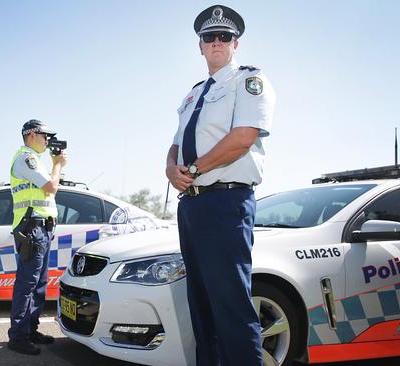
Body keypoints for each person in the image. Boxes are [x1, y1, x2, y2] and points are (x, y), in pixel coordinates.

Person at [165, 5, 275, 366]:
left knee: (230, 305)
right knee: (202, 305)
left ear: (235, 44)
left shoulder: (248, 80)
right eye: (209, 37)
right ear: (200, 46)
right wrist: (170, 169)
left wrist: (193, 169)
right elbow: (176, 143)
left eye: (224, 37)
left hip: (226, 203)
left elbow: (243, 137)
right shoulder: (194, 94)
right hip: (192, 206)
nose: (216, 42)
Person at [7, 119, 67, 355]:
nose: (48, 141)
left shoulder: (36, 160)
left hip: (42, 228)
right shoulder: (26, 158)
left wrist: (54, 165)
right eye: (45, 136)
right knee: (27, 284)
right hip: (32, 228)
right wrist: (58, 165)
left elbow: (48, 188)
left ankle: (30, 330)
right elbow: (51, 187)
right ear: (31, 135)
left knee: (39, 284)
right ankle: (18, 337)